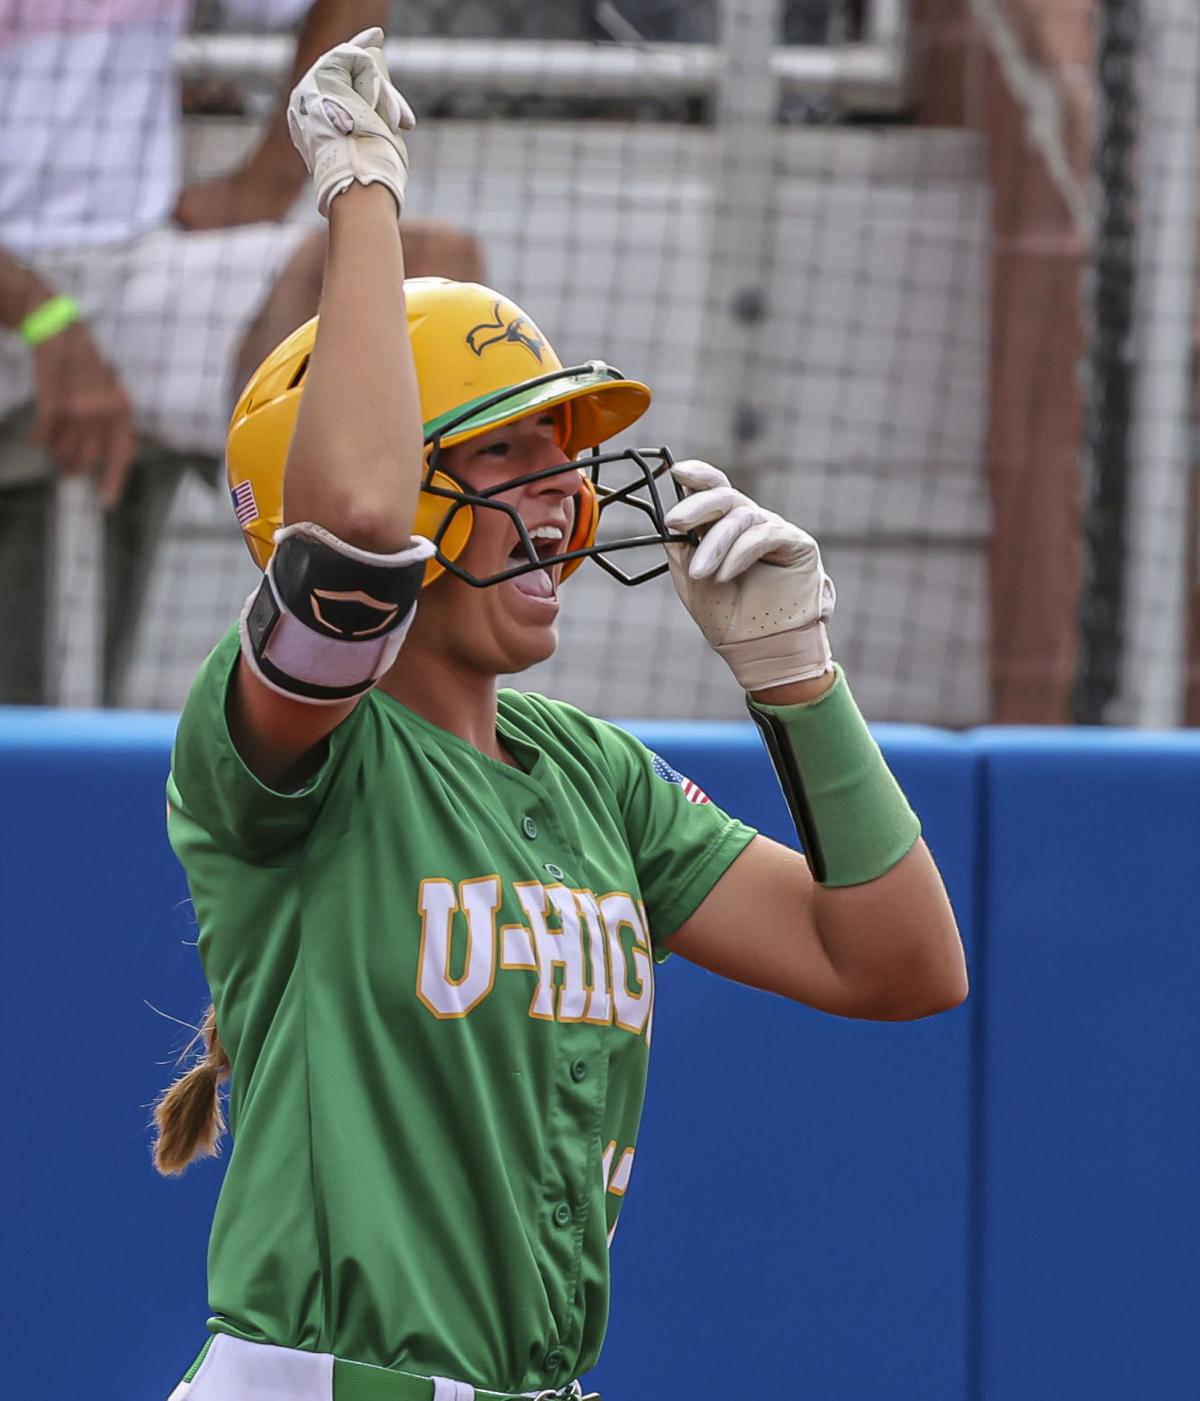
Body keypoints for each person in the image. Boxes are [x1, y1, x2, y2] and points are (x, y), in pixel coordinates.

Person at [157, 29, 968, 1401]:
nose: (563, 502)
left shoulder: (586, 770)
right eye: (505, 461)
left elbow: (896, 965)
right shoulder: (293, 748)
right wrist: (363, 189)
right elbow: (349, 527)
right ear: (403, 487)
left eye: (565, 465)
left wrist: (798, 682)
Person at [0, 0, 484, 704]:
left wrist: (267, 179)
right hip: (20, 298)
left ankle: (381, 711)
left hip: (140, 268)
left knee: (436, 268)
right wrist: (48, 321)